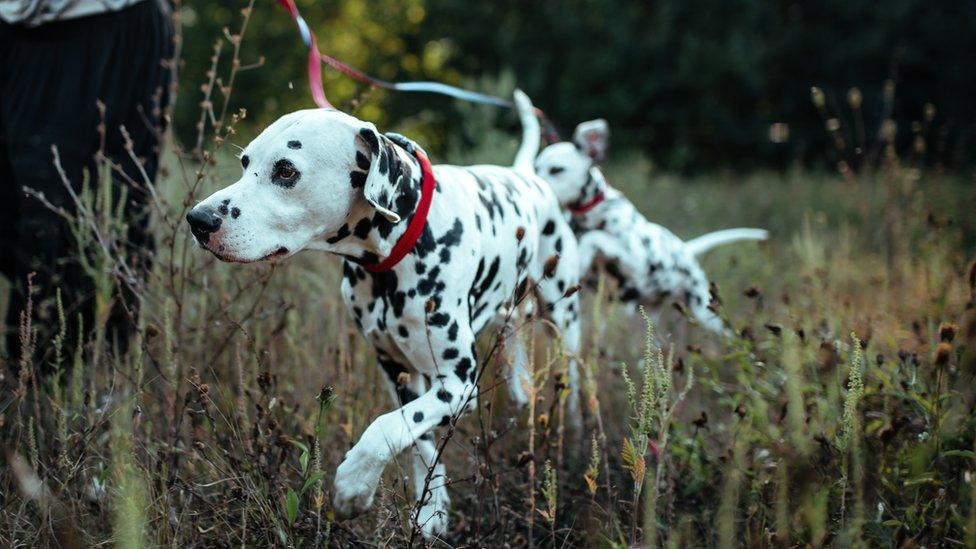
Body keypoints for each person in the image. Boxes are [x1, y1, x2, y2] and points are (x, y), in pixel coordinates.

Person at [0, 0, 173, 371]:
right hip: (13, 26)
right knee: (15, 215)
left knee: (87, 217)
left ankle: (86, 385)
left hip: (110, 24)